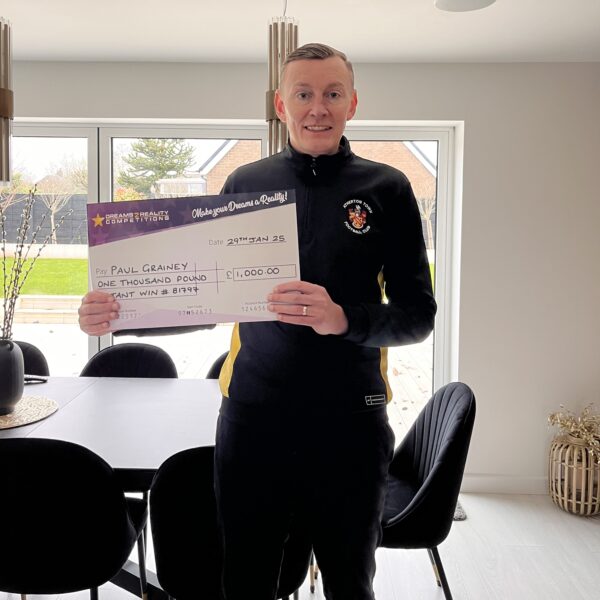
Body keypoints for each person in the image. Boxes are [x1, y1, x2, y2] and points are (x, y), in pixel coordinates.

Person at [78, 43, 436, 600]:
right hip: (253, 420)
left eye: (332, 93)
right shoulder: (246, 184)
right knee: (245, 579)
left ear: (352, 103)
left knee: (350, 582)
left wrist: (343, 318)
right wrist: (119, 313)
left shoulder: (387, 188)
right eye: (304, 94)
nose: (318, 107)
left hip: (351, 422)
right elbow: (202, 295)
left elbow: (417, 317)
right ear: (281, 104)